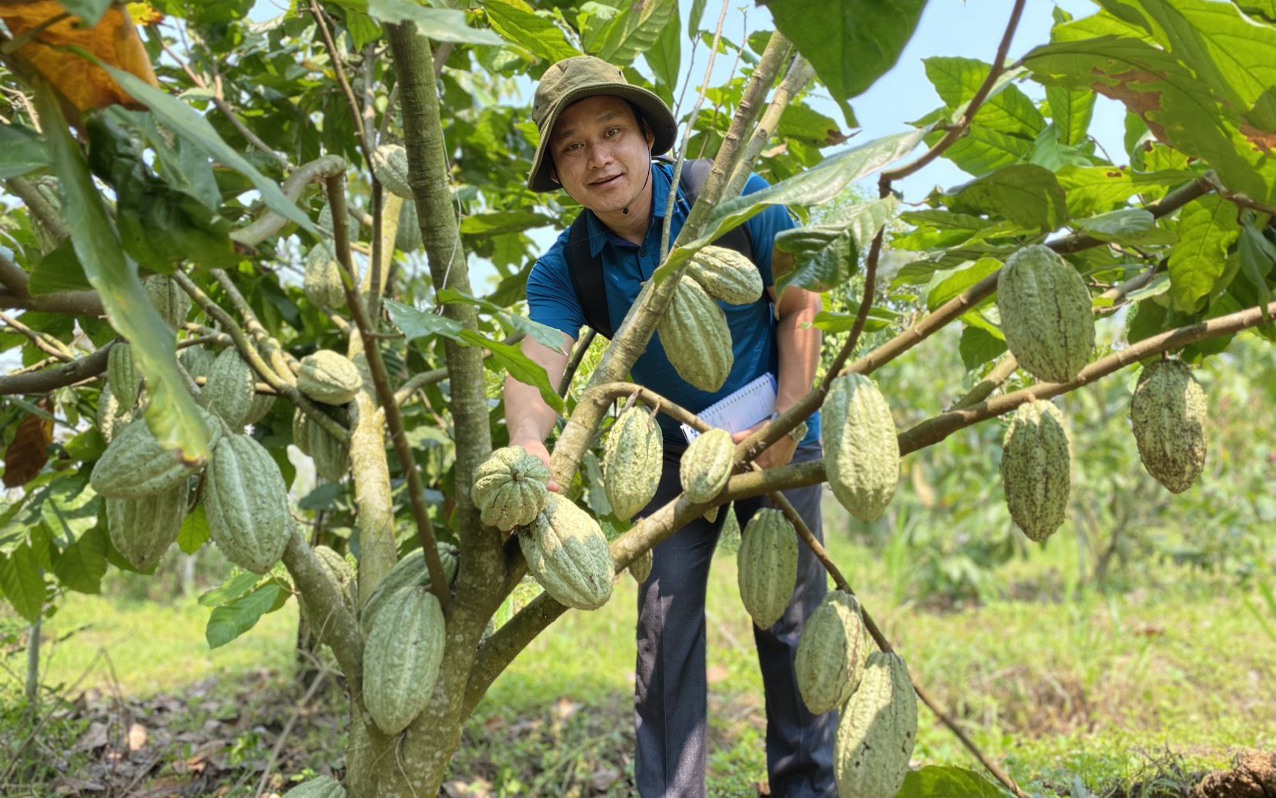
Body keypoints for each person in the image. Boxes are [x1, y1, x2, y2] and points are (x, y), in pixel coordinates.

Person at [503, 55, 837, 798]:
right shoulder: (564, 269)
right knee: (665, 635)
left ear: (647, 135)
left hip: (773, 423)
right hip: (666, 453)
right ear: (558, 174)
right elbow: (538, 363)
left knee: (791, 626)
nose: (599, 158)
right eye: (573, 147)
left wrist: (788, 415)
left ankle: (809, 789)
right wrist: (529, 441)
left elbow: (799, 302)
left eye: (612, 131)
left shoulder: (729, 198)